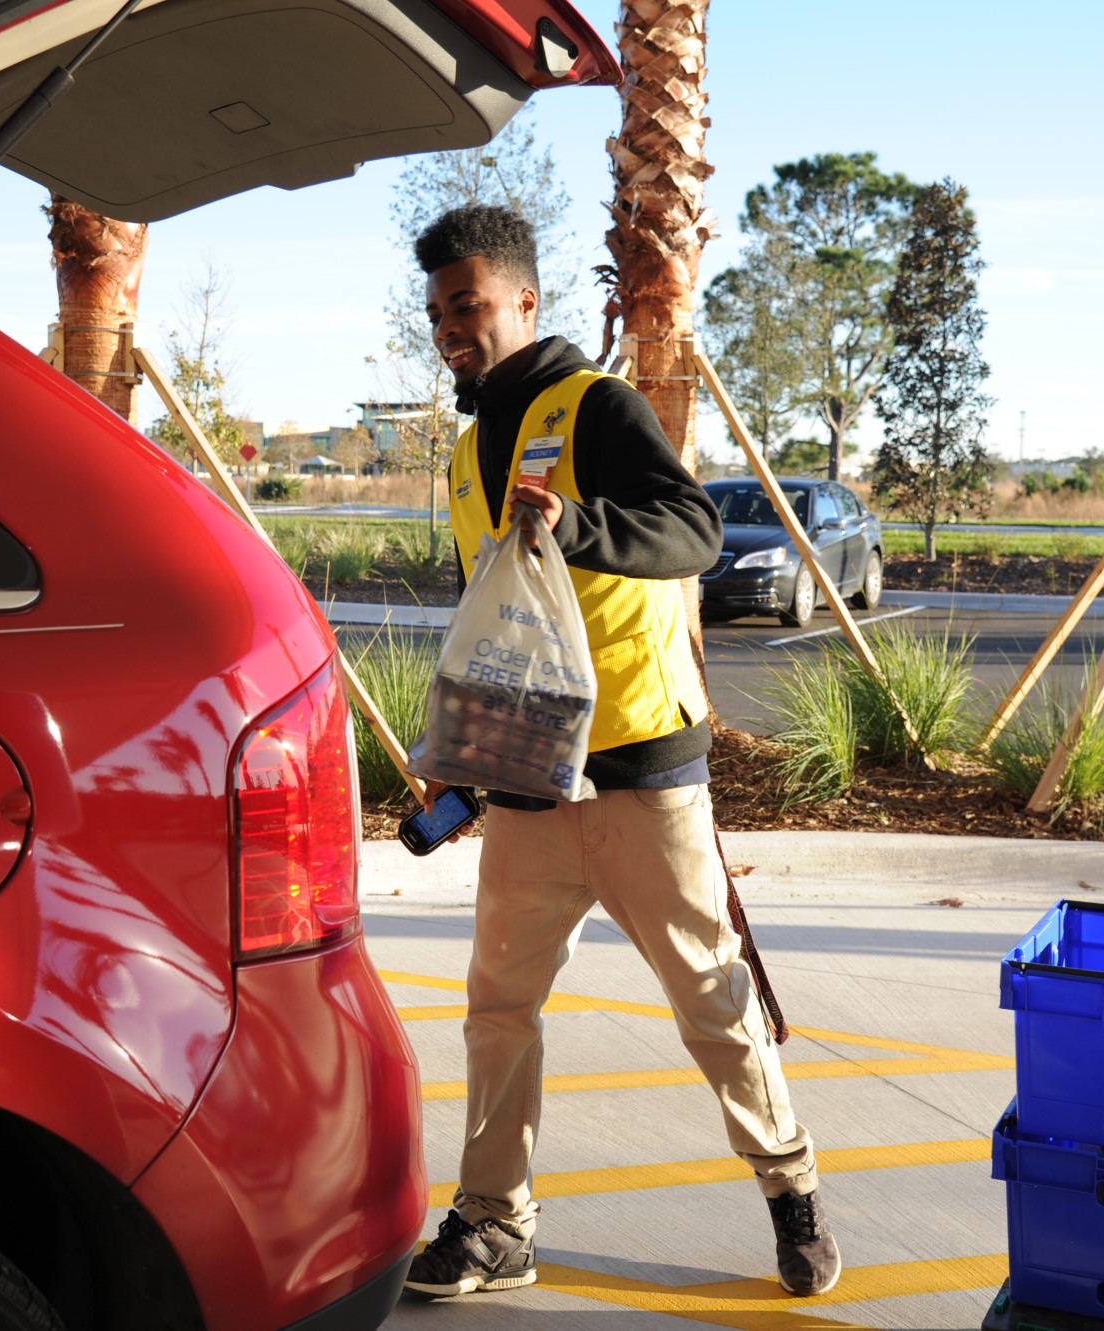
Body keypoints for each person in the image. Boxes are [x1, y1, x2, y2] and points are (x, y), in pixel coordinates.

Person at [401, 204, 839, 1301]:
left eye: (468, 303)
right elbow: (488, 617)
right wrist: (455, 752)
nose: (452, 324)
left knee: (708, 994)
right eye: (439, 309)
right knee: (497, 1008)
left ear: (522, 302)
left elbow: (691, 528)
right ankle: (495, 1222)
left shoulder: (595, 406)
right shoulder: (463, 454)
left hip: (642, 770)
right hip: (522, 782)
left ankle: (790, 1188)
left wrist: (582, 522)